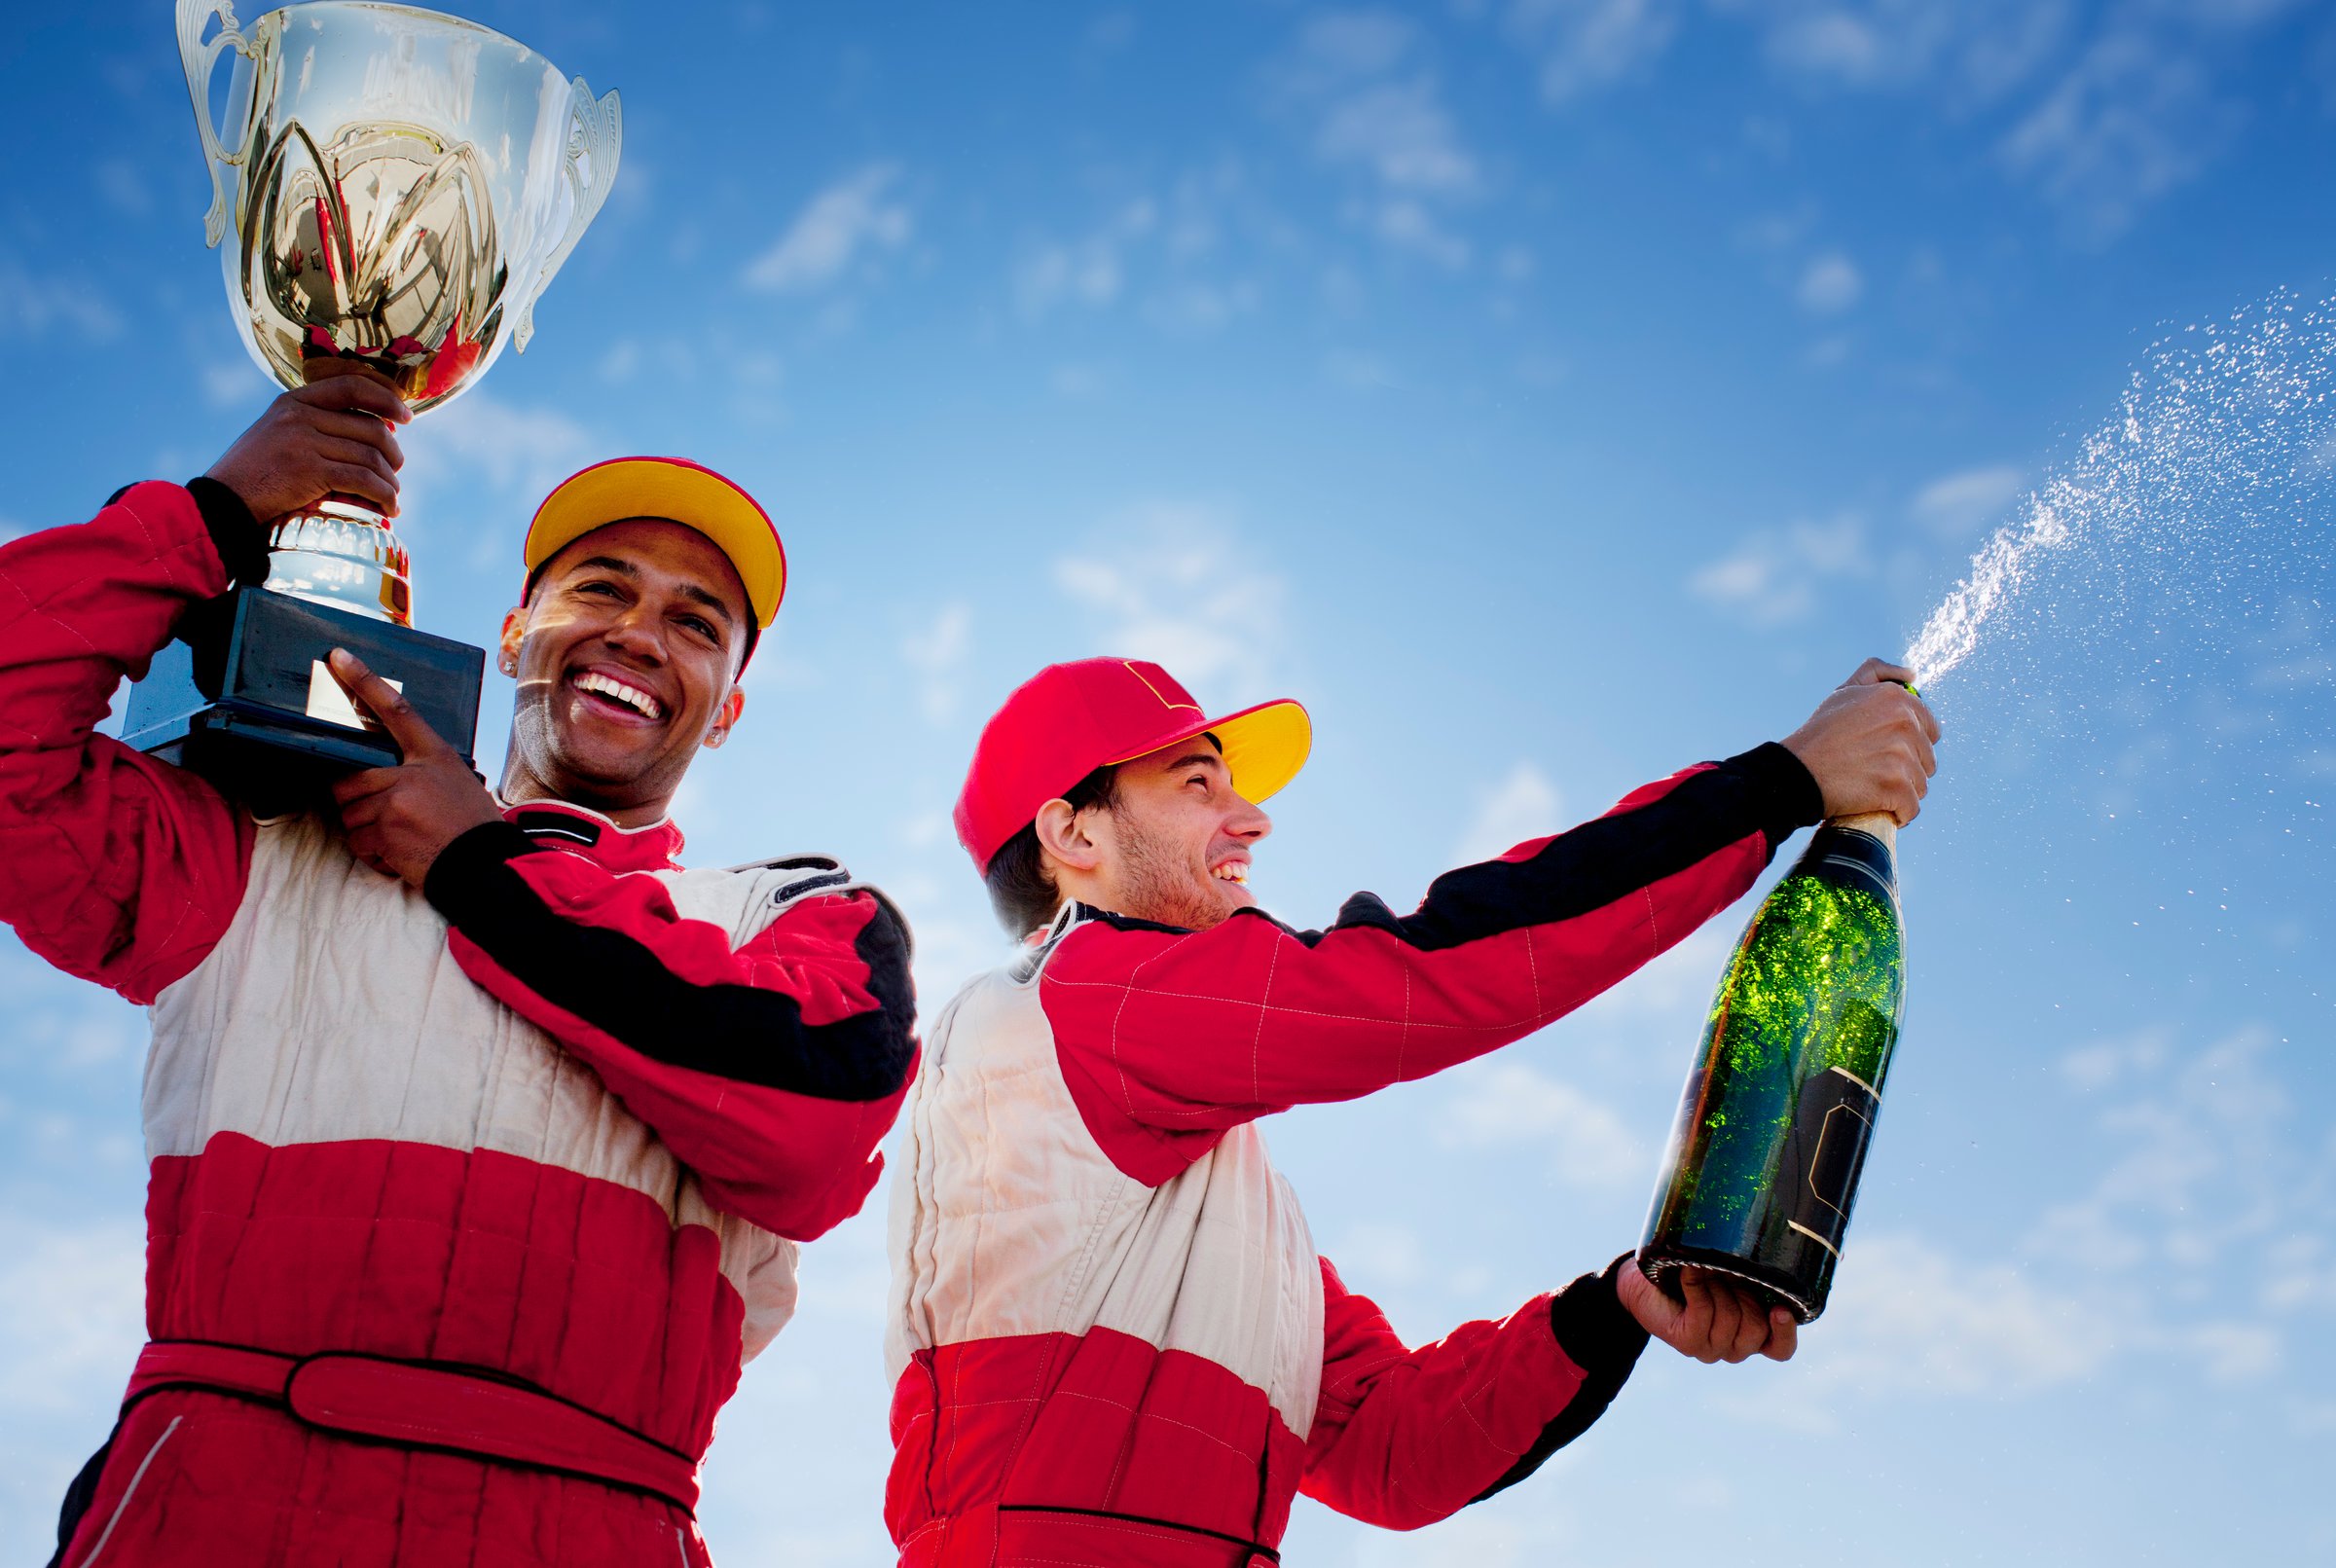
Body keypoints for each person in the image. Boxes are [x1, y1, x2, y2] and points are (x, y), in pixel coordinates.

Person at [0, 372, 919, 1568]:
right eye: (601, 587)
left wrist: (477, 865)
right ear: (512, 633)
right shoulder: (268, 841)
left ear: (728, 708)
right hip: (220, 1503)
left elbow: (812, 1121)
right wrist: (212, 518)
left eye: (696, 623)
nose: (640, 633)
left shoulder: (797, 913)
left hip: (598, 1519)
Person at [883, 654, 1938, 1566]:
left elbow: (1393, 1450)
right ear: (1072, 832)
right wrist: (1781, 784)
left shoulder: (1211, 1211)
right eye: (1196, 782)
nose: (1250, 817)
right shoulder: (1066, 996)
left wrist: (1615, 1307)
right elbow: (1415, 978)